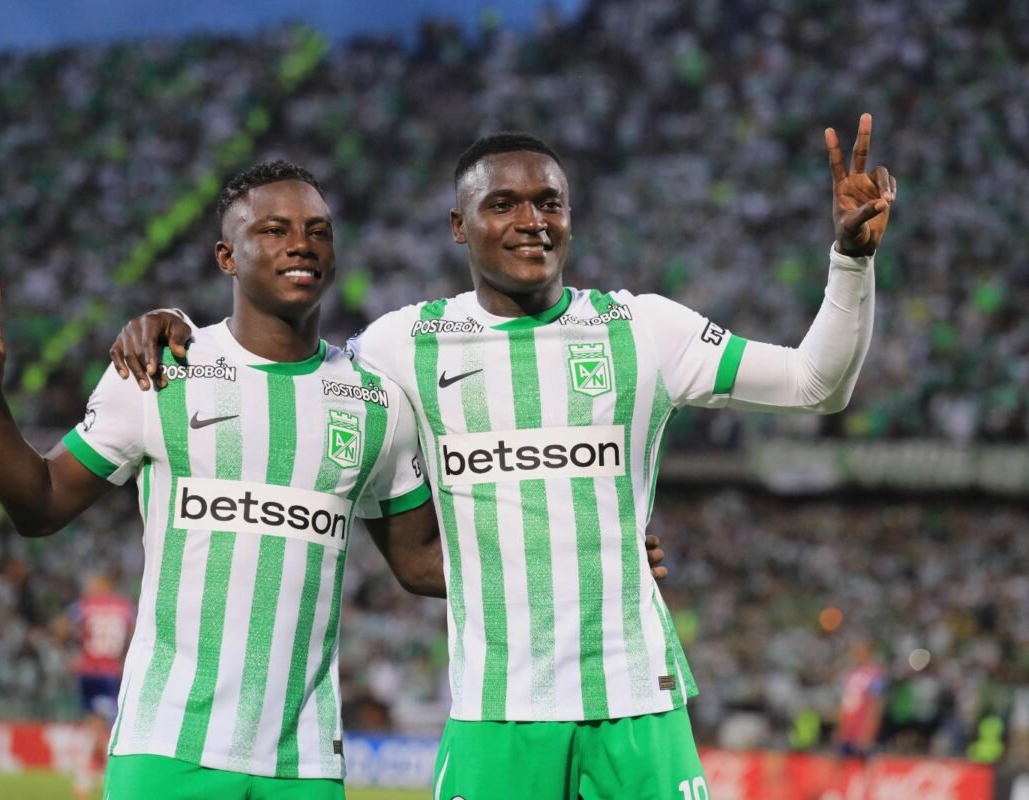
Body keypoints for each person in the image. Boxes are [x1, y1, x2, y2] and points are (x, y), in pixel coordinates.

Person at [113, 115, 893, 798]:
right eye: (504, 204)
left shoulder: (644, 331)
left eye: (550, 203)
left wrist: (849, 260)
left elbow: (816, 383)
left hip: (638, 703)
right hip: (497, 712)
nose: (532, 221)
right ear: (460, 226)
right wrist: (180, 330)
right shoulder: (403, 345)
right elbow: (289, 367)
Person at [0, 160, 446, 799]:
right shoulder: (158, 372)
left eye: (318, 231)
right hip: (167, 747)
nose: (301, 244)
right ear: (226, 257)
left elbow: (419, 563)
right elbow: (39, 505)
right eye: (273, 230)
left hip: (306, 763)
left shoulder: (376, 402)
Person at [59, 573, 135, 798]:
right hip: (110, 673)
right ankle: (99, 778)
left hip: (88, 672)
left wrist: (71, 648)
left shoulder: (85, 605)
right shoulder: (124, 607)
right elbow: (138, 628)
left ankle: (89, 779)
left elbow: (61, 626)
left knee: (97, 726)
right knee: (102, 727)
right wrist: (126, 656)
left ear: (103, 585)